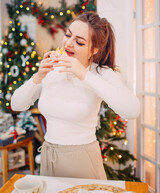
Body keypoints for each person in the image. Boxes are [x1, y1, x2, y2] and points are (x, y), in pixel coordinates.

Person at [11, 12, 140, 180]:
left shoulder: (100, 73)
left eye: (79, 42)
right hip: (49, 158)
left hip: (83, 160)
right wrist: (38, 76)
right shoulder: (52, 69)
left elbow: (132, 110)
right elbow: (16, 104)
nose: (68, 44)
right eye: (68, 35)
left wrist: (84, 75)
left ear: (93, 49)